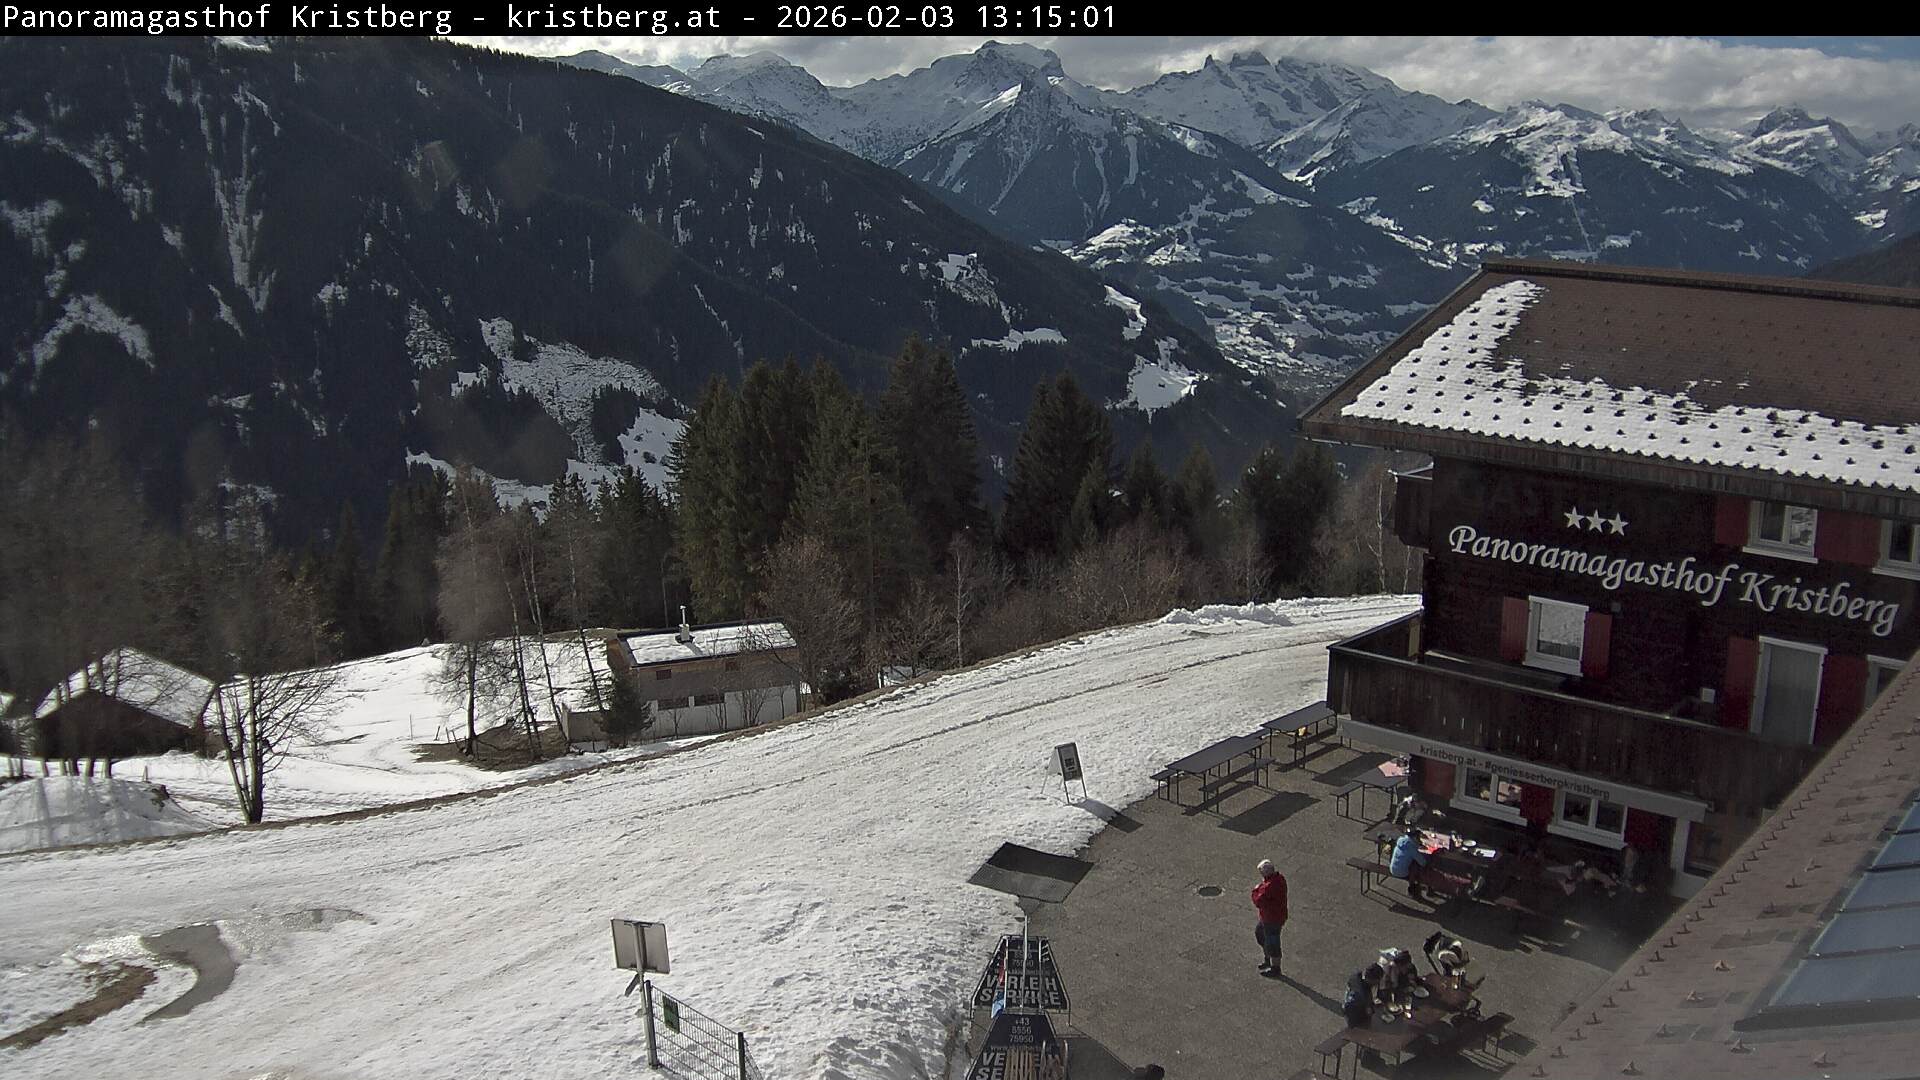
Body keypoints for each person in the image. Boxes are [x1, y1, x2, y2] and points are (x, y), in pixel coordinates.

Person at [1251, 858, 1288, 975]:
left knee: (1273, 942)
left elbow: (1258, 901)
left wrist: (1255, 890)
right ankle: (1268, 959)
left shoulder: (1268, 887)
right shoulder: (1280, 878)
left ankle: (1275, 968)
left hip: (1271, 918)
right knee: (1261, 934)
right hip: (1275, 916)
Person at [1389, 826, 1432, 900]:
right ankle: (1419, 888)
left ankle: (1414, 887)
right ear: (1415, 837)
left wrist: (1418, 846)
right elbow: (1423, 863)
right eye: (1418, 837)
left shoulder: (1401, 841)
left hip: (1393, 868)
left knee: (1411, 862)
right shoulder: (1411, 848)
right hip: (1402, 873)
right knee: (1418, 866)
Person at [1343, 961, 1385, 1029]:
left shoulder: (1361, 978)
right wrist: (1367, 1009)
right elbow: (1349, 1007)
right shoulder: (1358, 993)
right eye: (1377, 981)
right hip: (1354, 1014)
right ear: (1371, 979)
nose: (1377, 984)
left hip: (1360, 1008)